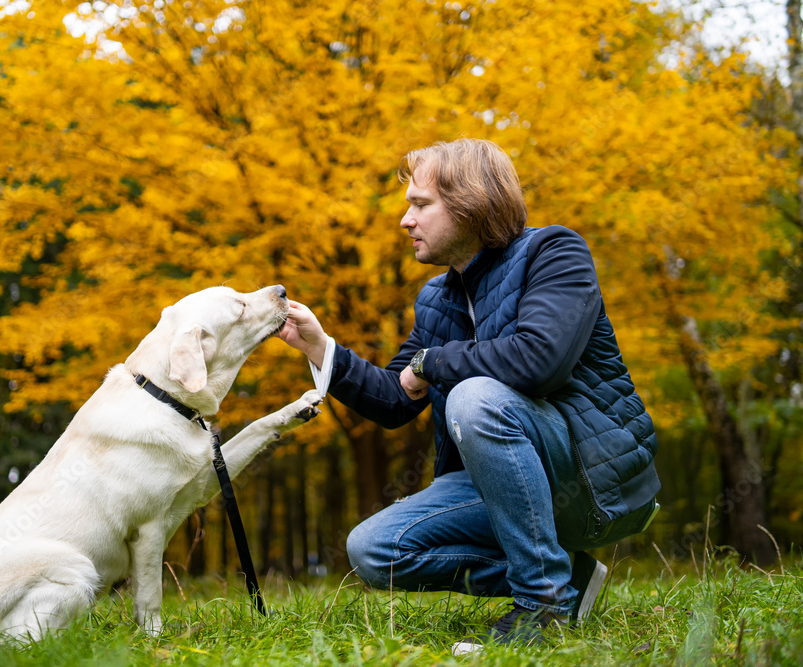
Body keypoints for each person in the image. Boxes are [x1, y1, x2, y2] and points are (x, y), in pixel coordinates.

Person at [279, 138, 660, 654]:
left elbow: (537, 361)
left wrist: (432, 362)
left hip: (591, 482)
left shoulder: (554, 253)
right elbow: (396, 399)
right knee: (373, 549)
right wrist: (322, 348)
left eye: (419, 205)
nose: (404, 221)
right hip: (500, 487)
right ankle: (567, 577)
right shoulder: (437, 297)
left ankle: (543, 605)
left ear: (469, 202)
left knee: (474, 397)